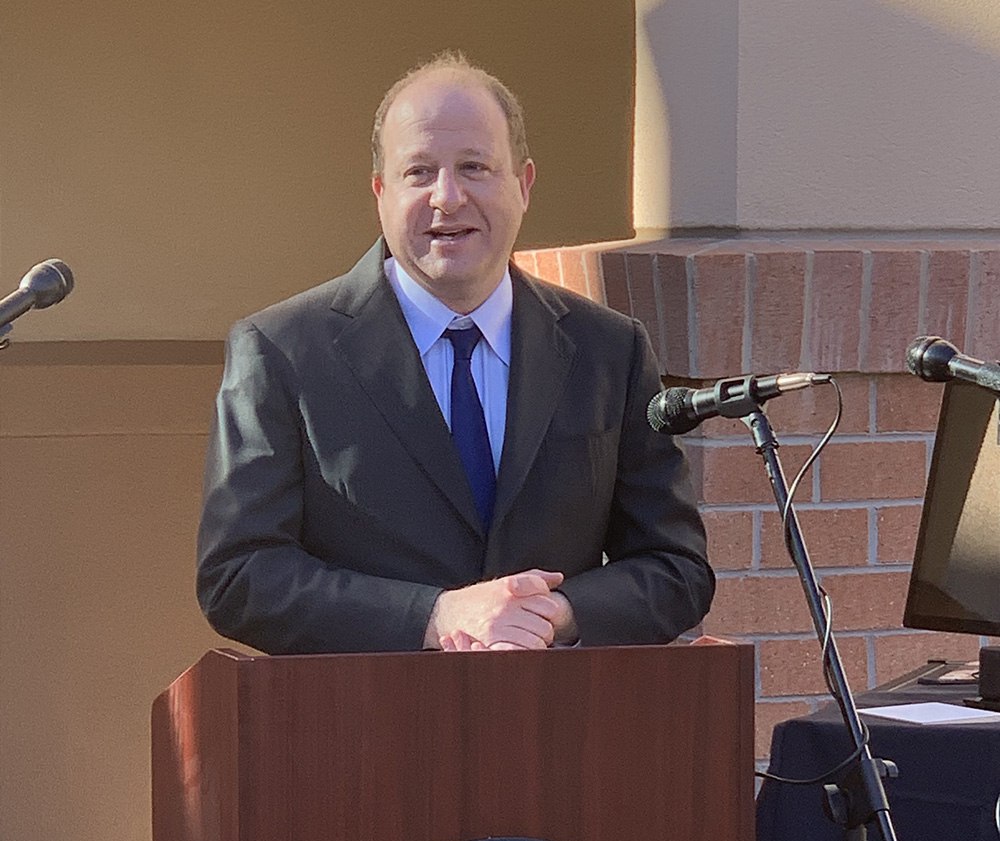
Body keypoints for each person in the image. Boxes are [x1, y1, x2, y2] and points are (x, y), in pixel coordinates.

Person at [196, 52, 713, 654]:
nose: (447, 197)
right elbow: (239, 577)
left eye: (474, 167)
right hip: (358, 729)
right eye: (419, 172)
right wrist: (438, 616)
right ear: (380, 193)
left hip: (563, 728)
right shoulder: (283, 351)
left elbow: (677, 568)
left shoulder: (609, 351)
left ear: (523, 186)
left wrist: (553, 614)